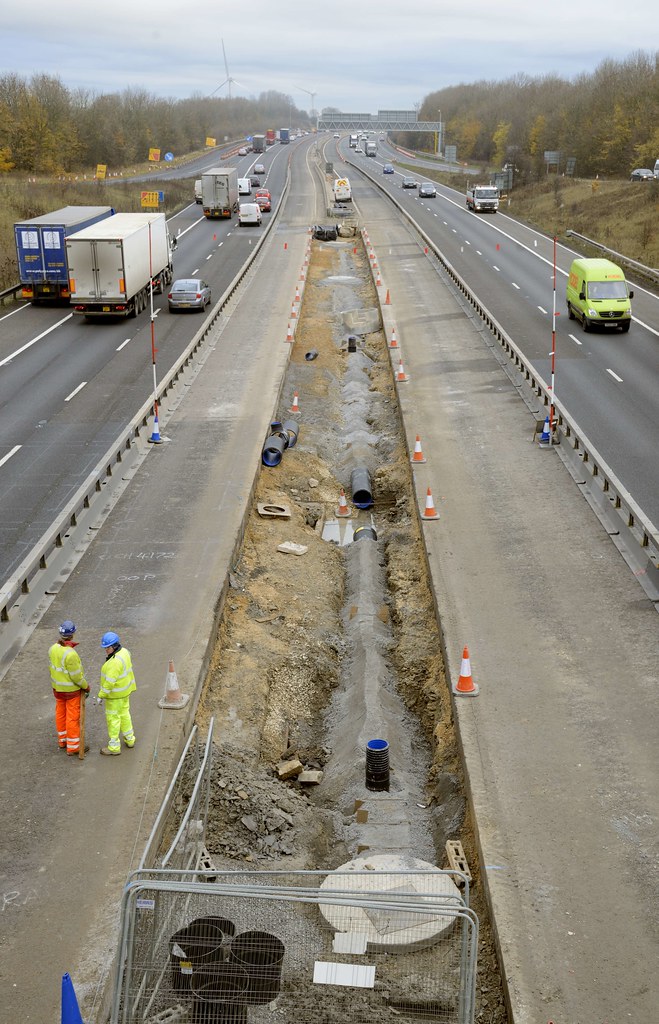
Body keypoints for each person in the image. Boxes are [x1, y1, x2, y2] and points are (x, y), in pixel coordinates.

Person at [48, 620, 90, 756]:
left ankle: (63, 740)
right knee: (72, 717)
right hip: (71, 691)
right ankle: (73, 747)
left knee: (60, 713)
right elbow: (76, 677)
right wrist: (86, 686)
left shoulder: (53, 648)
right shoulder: (70, 654)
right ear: (73, 634)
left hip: (57, 689)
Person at [97, 631, 137, 756]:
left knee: (113, 720)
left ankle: (114, 747)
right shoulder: (124, 652)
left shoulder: (114, 663)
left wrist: (101, 695)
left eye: (107, 648)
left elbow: (109, 683)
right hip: (125, 692)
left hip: (114, 697)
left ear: (114, 646)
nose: (106, 650)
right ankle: (130, 739)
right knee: (125, 715)